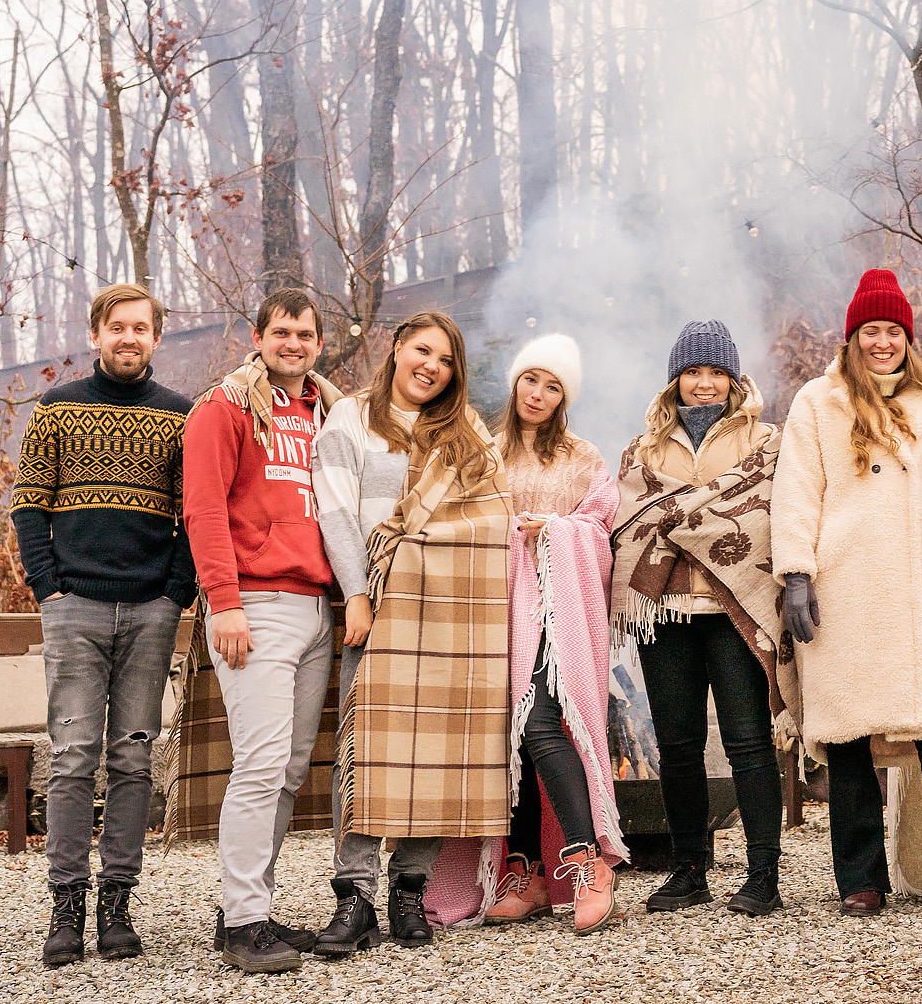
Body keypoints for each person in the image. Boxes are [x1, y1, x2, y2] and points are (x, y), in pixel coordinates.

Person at [772, 269, 922, 920]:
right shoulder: (817, 404)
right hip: (841, 588)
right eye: (871, 330)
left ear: (907, 339)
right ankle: (861, 879)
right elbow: (795, 490)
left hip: (914, 592)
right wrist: (796, 573)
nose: (883, 342)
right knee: (848, 741)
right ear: (853, 337)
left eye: (893, 331)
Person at [310, 312, 513, 953]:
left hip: (450, 611)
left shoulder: (466, 433)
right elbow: (336, 513)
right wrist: (357, 596)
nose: (432, 366)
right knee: (365, 752)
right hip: (377, 604)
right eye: (422, 351)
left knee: (435, 752)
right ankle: (354, 897)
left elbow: (493, 516)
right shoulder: (351, 420)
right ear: (397, 349)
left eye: (446, 359)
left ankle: (408, 892)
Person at [13, 282, 195, 967]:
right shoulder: (57, 408)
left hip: (150, 609)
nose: (128, 337)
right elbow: (29, 504)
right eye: (116, 326)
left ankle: (116, 903)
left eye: (141, 327)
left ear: (156, 337)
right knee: (71, 757)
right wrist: (49, 590)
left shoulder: (180, 415)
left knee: (132, 757)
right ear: (96, 333)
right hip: (75, 608)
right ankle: (66, 906)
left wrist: (175, 592)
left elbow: (196, 511)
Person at [178, 289, 347, 973]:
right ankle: (244, 920)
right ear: (259, 335)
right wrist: (225, 602)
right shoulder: (224, 406)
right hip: (257, 602)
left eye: (305, 334)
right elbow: (203, 508)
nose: (294, 343)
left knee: (290, 767)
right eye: (282, 331)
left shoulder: (331, 411)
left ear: (319, 342)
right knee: (259, 762)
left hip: (316, 606)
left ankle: (248, 905)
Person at [611, 320, 790, 917]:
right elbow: (629, 520)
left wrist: (681, 515)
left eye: (717, 372)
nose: (705, 384)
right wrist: (707, 514)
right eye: (694, 372)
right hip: (663, 613)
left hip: (734, 609)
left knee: (747, 741)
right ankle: (689, 869)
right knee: (678, 745)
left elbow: (760, 513)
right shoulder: (642, 449)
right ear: (676, 380)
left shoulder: (765, 441)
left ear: (733, 379)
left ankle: (764, 872)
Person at [461, 333, 628, 936]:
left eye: (553, 385)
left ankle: (587, 861)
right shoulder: (483, 451)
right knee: (505, 735)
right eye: (532, 379)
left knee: (538, 722)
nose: (538, 392)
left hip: (556, 617)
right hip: (493, 612)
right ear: (514, 382)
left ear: (565, 397)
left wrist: (552, 530)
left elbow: (600, 525)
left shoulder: (582, 458)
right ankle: (525, 870)